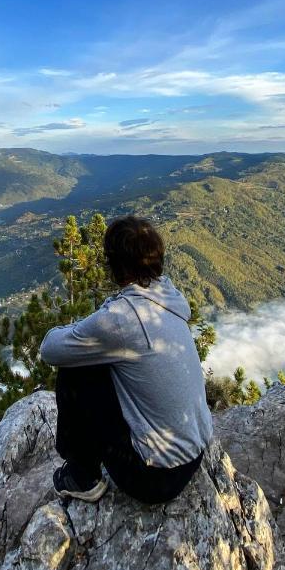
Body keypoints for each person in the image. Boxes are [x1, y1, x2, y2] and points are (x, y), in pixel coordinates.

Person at [39, 215, 213, 504]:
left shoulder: (122, 319)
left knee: (76, 371)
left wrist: (83, 329)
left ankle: (82, 476)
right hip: (194, 454)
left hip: (155, 479)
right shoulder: (168, 297)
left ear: (115, 267)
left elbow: (50, 349)